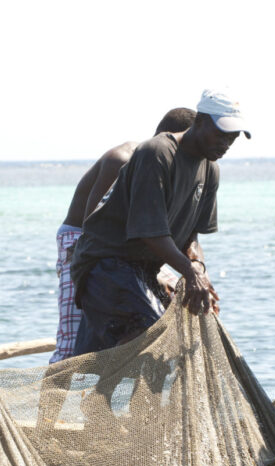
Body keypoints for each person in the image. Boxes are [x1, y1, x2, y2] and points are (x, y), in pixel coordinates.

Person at [69, 90, 248, 356]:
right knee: (157, 336)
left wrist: (199, 266)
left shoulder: (211, 169)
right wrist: (190, 273)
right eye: (221, 133)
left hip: (144, 269)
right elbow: (149, 232)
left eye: (233, 136)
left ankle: (102, 393)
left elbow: (191, 236)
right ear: (199, 121)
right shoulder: (157, 153)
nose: (227, 142)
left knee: (90, 362)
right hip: (105, 264)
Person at [50, 107, 197, 363]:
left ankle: (115, 392)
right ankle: (51, 401)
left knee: (155, 317)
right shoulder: (123, 160)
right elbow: (92, 230)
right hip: (82, 244)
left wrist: (193, 275)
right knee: (73, 341)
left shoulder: (172, 170)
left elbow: (171, 231)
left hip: (129, 251)